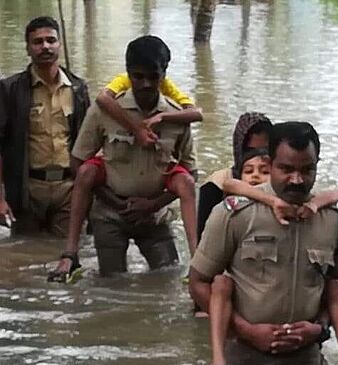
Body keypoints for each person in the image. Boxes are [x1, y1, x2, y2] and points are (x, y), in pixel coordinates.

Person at [189, 122, 338, 365]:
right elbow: (198, 283)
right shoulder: (234, 214)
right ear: (270, 165)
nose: (297, 180)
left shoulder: (332, 220)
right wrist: (247, 331)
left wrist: (318, 328)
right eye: (287, 169)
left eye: (307, 170)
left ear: (317, 165)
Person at [48, 37, 200, 282]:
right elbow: (77, 164)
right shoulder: (104, 111)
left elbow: (191, 175)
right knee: (112, 286)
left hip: (154, 217)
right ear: (128, 74)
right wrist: (118, 204)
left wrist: (152, 205)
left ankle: (198, 265)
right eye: (138, 77)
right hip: (109, 215)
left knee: (168, 279)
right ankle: (70, 254)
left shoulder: (176, 116)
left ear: (164, 74)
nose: (146, 84)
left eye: (153, 76)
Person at [0, 16, 90, 236]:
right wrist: (0, 198)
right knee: (26, 252)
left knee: (66, 251)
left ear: (59, 44)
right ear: (28, 48)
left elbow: (90, 142)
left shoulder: (77, 89)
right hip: (27, 189)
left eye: (51, 40)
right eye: (38, 42)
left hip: (68, 188)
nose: (45, 46)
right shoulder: (10, 89)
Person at [196, 112, 272, 241]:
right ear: (239, 149)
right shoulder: (216, 185)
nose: (257, 156)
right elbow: (203, 238)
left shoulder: (280, 181)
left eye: (265, 150)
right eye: (250, 151)